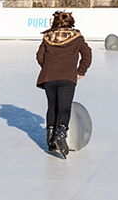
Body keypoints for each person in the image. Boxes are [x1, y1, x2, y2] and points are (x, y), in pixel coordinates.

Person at [36, 11, 92, 159]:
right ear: (71, 22)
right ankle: (61, 133)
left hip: (49, 77)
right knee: (64, 108)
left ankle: (50, 139)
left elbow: (39, 56)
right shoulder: (77, 37)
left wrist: (48, 67)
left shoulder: (48, 37)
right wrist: (80, 71)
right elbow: (87, 54)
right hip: (67, 78)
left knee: (52, 107)